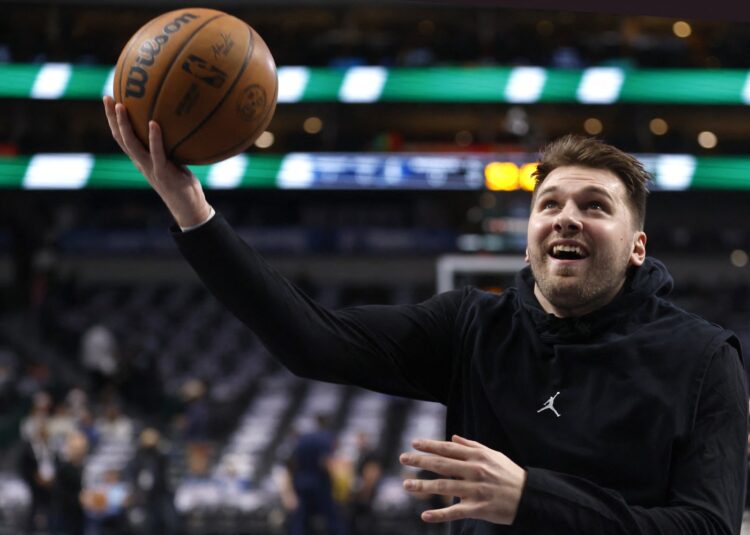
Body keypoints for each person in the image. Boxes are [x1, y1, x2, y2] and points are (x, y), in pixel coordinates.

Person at [103, 96, 748, 534]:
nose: (567, 216)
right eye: (548, 203)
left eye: (595, 205)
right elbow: (310, 340)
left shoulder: (703, 358)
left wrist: (532, 499)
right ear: (529, 235)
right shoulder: (473, 327)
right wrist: (192, 210)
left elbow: (707, 527)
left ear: (638, 247)